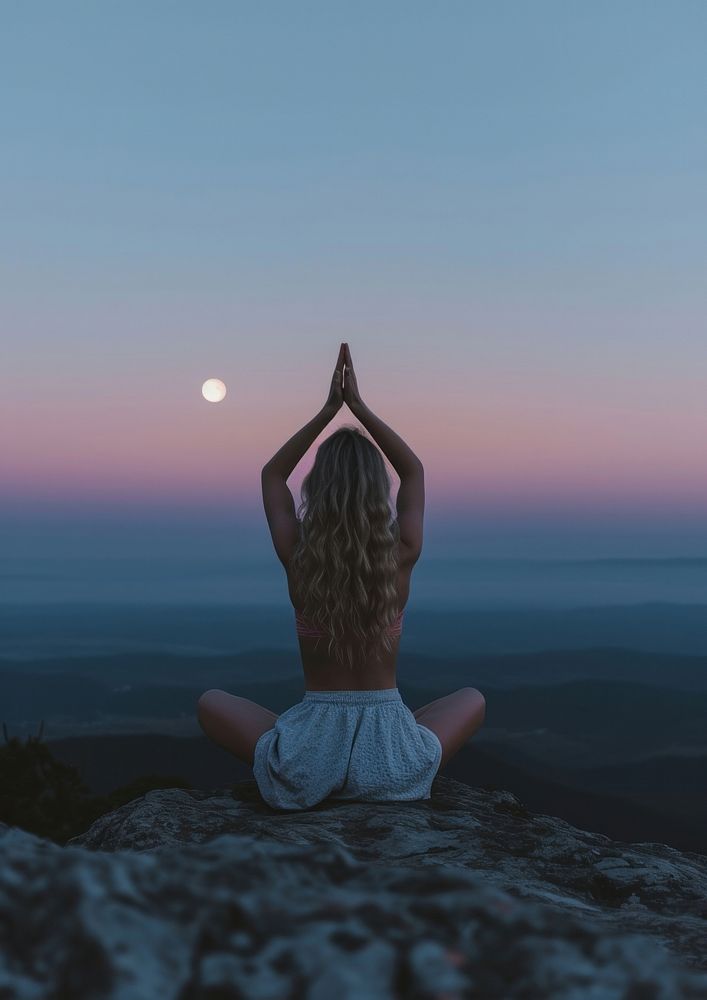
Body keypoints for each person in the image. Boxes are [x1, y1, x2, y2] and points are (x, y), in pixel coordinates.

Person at [197, 342, 486, 809]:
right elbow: (413, 471)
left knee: (211, 701)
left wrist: (328, 411)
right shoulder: (401, 554)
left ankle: (303, 752)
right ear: (378, 490)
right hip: (393, 762)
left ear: (317, 487)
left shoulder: (301, 557)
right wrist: (361, 409)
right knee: (472, 698)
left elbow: (273, 476)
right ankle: (380, 752)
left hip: (308, 760)